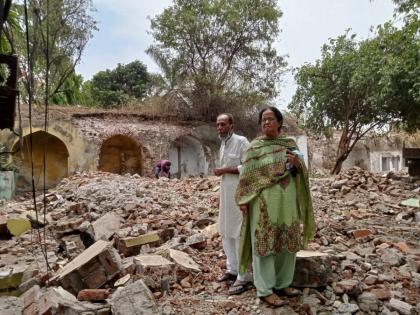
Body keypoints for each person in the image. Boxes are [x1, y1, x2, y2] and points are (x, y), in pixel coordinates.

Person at [235, 107, 314, 306]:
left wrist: (297, 165)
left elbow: (301, 173)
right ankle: (264, 289)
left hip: (288, 202)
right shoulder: (255, 147)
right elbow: (246, 178)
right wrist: (243, 201)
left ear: (279, 122)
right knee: (264, 244)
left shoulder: (290, 145)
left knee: (287, 243)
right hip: (264, 203)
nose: (266, 123)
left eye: (270, 119)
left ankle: (282, 283)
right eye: (263, 120)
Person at [214, 113, 253, 295]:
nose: (220, 128)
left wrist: (225, 170)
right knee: (225, 231)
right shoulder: (222, 144)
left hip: (239, 195)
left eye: (223, 124)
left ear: (232, 126)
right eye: (218, 125)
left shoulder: (242, 141)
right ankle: (232, 269)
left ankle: (244, 276)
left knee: (238, 233)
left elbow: (250, 167)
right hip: (225, 194)